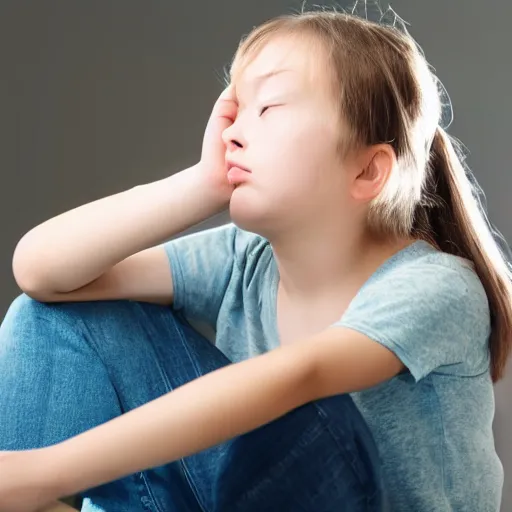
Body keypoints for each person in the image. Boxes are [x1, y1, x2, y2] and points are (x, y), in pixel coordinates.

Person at [0, 6, 511, 512]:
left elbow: (300, 376)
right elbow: (42, 273)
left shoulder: (440, 288)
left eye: (267, 109)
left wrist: (45, 473)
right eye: (236, 110)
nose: (232, 132)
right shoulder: (245, 261)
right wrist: (201, 185)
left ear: (367, 172)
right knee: (48, 315)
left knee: (302, 417)